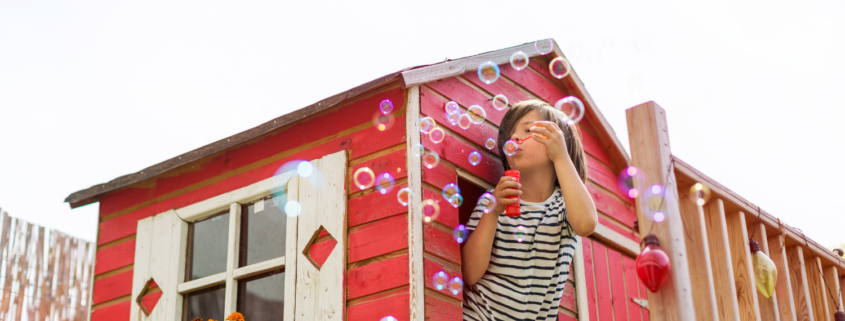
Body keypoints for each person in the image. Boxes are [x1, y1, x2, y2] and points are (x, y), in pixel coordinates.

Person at [461, 99, 598, 320]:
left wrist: (561, 156)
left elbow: (586, 224)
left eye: (527, 129)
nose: (514, 138)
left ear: (557, 142)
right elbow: (469, 273)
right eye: (510, 133)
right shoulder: (492, 201)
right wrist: (493, 212)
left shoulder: (566, 205)